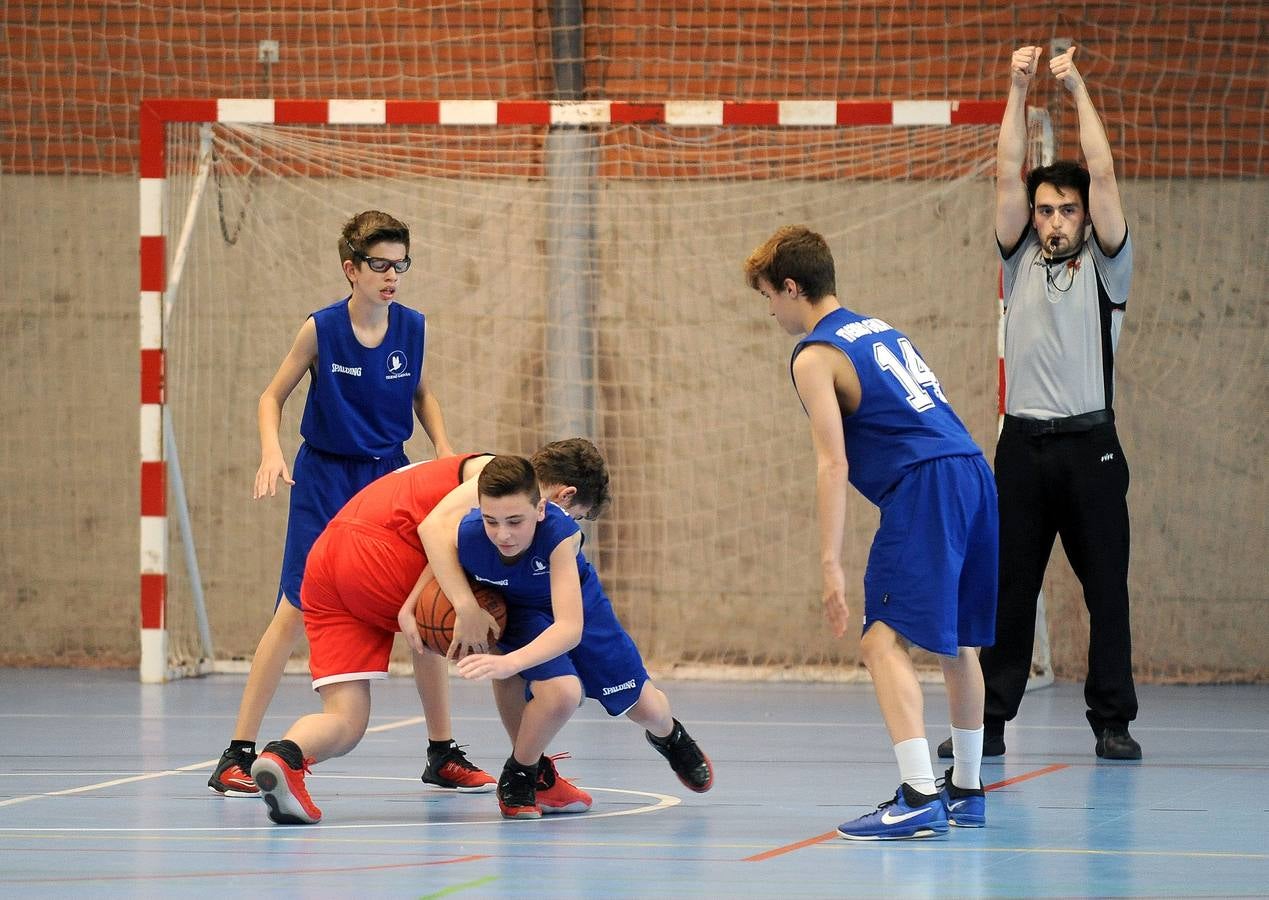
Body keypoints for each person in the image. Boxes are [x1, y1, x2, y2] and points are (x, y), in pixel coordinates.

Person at [208, 210, 484, 798]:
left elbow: (422, 393)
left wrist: (444, 447)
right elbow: (271, 395)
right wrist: (270, 452)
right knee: (294, 609)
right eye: (380, 265)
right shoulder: (321, 329)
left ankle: (442, 751)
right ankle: (236, 752)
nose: (392, 276)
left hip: (388, 477)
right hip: (324, 477)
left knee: (425, 602)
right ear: (350, 269)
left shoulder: (412, 327)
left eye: (400, 264)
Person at [745, 225, 997, 840]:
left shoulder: (815, 354)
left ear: (792, 287)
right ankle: (965, 789)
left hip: (926, 487)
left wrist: (829, 563)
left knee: (881, 643)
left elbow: (833, 463)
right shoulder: (880, 327)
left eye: (768, 297)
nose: (771, 311)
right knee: (959, 643)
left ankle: (918, 795)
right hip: (972, 473)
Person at [938, 45, 1140, 762]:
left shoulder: (1107, 265)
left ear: (1085, 219)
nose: (1052, 220)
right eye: (1044, 209)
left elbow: (1106, 171)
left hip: (1090, 449)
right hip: (1020, 451)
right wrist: (1017, 88)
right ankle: (989, 721)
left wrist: (1077, 84)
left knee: (1104, 592)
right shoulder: (1017, 255)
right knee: (1006, 588)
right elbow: (1003, 170)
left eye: (1065, 211)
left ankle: (1112, 720)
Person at [248, 445, 599, 824]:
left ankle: (285, 755)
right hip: (382, 550)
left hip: (326, 559)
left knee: (346, 720)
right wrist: (465, 607)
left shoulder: (463, 478)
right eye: (573, 518)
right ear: (563, 497)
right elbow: (432, 528)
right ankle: (531, 775)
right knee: (499, 632)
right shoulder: (492, 474)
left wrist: (416, 602)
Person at [416, 448, 715, 820]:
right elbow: (436, 556)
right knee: (557, 692)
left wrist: (508, 661)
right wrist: (411, 605)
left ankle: (671, 736)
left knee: (647, 707)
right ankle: (522, 772)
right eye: (492, 521)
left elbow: (569, 629)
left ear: (541, 510)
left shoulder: (560, 534)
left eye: (514, 522)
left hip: (576, 606)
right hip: (520, 613)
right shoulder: (471, 532)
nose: (503, 534)